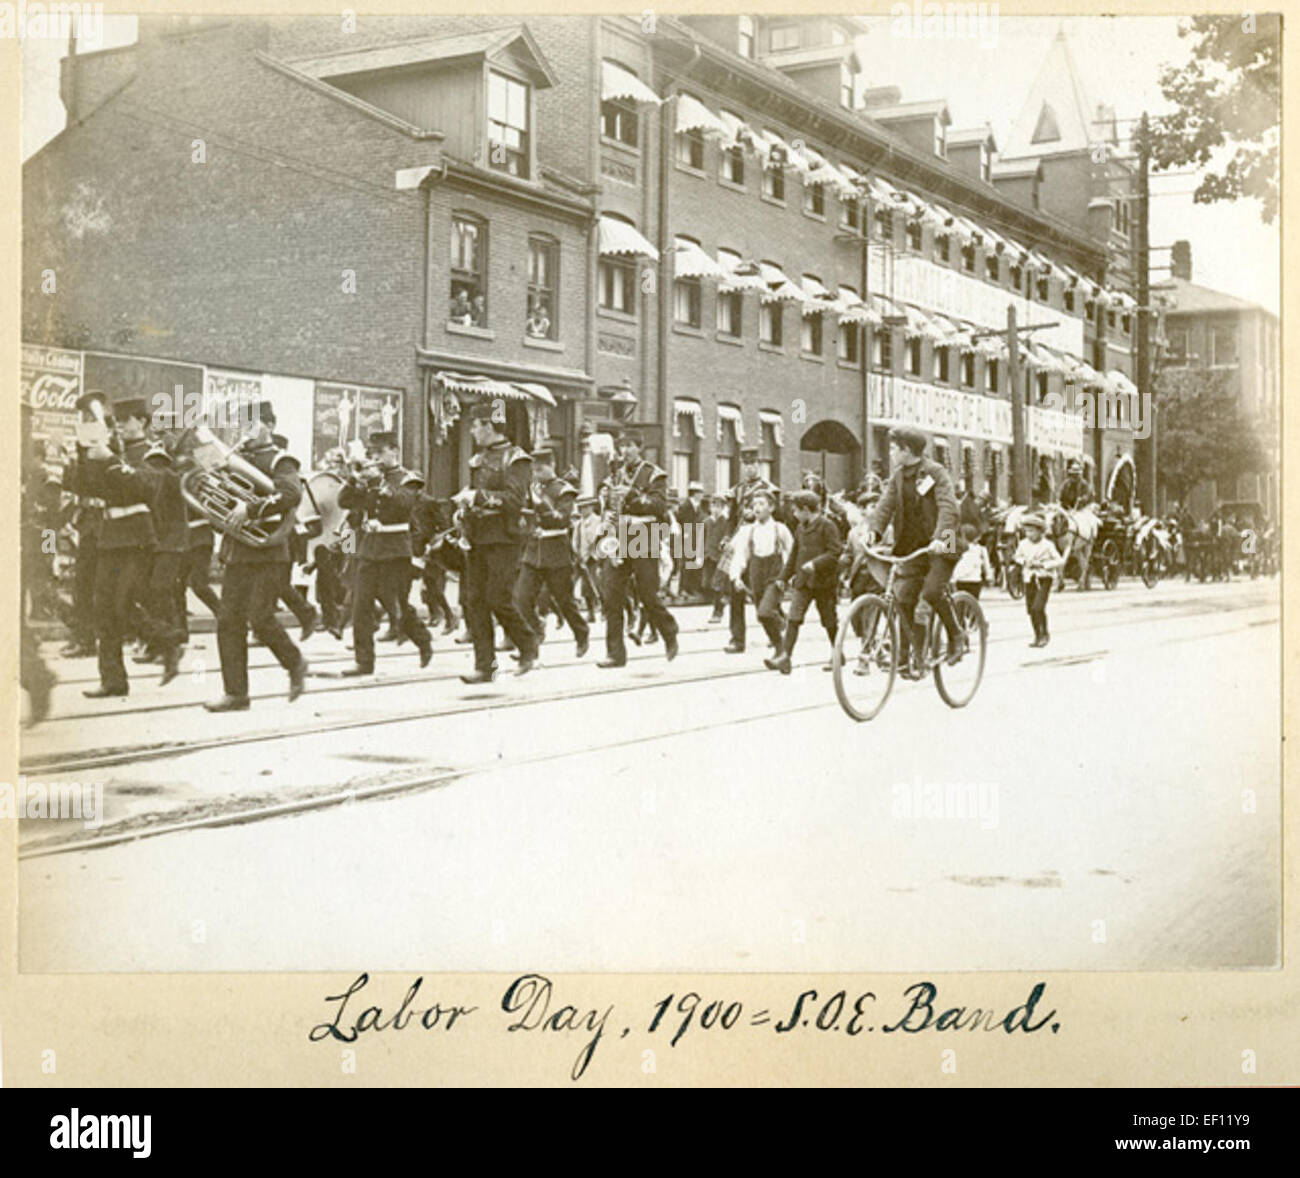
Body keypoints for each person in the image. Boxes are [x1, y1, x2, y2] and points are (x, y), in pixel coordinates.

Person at [204, 403, 308, 710]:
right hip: (239, 550)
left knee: (260, 616)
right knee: (228, 620)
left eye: (251, 425)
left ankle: (295, 663)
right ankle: (236, 693)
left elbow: (291, 494)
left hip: (269, 551)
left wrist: (249, 509)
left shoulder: (281, 460)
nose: (244, 432)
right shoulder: (233, 460)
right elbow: (216, 499)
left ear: (270, 426)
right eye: (240, 426)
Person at [79, 398, 167, 698]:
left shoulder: (153, 453)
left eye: (127, 419)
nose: (120, 425)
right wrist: (84, 457)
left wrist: (111, 461)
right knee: (103, 608)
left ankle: (165, 642)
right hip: (108, 536)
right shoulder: (112, 450)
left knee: (123, 603)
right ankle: (113, 679)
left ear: (142, 421)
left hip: (137, 538)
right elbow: (89, 489)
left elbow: (147, 489)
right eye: (118, 420)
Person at [866, 425, 966, 680]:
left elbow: (949, 508)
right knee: (904, 597)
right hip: (913, 546)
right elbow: (885, 506)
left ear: (907, 450)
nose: (890, 452)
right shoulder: (899, 476)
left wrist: (939, 539)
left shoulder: (936, 472)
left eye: (893, 448)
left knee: (931, 592)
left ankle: (956, 635)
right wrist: (874, 532)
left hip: (945, 541)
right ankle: (913, 658)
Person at [337, 430, 432, 676]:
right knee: (361, 604)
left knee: (396, 604)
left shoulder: (409, 478)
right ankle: (363, 661)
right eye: (373, 453)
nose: (375, 458)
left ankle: (423, 640)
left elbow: (405, 503)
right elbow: (344, 502)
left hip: (396, 549)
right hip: (369, 548)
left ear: (394, 451)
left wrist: (379, 483)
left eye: (380, 452)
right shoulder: (369, 479)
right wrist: (354, 480)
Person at [456, 402, 539, 683]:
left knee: (497, 597)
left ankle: (527, 645)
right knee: (475, 600)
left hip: (504, 537)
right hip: (478, 535)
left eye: (475, 425)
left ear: (488, 426)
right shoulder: (478, 459)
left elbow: (515, 501)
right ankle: (484, 665)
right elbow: (477, 493)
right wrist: (464, 509)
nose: (472, 431)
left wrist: (477, 497)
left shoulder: (517, 460)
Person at [596, 431, 679, 668]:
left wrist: (633, 495)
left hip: (644, 532)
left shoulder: (654, 474)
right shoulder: (615, 475)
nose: (625, 451)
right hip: (619, 533)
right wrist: (604, 498)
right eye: (622, 447)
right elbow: (607, 508)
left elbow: (660, 506)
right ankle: (615, 653)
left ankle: (668, 630)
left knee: (647, 593)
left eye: (630, 446)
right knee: (611, 594)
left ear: (640, 448)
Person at [515, 449, 589, 658]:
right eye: (534, 470)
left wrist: (541, 504)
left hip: (556, 553)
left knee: (564, 601)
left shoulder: (565, 491)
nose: (537, 474)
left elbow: (561, 519)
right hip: (533, 552)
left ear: (552, 465)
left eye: (541, 469)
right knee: (521, 599)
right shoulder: (532, 489)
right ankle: (535, 633)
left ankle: (581, 632)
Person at [764, 490, 842, 674]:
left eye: (796, 510)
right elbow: (793, 556)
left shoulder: (827, 526)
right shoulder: (801, 528)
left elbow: (835, 553)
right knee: (794, 618)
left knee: (829, 620)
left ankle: (838, 653)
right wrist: (782, 578)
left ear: (806, 510)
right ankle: (786, 658)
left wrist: (815, 564)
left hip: (824, 583)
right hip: (803, 582)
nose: (794, 514)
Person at [725, 446, 779, 653]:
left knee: (761, 591)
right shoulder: (736, 490)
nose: (750, 468)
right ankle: (737, 639)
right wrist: (727, 538)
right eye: (746, 465)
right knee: (735, 590)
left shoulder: (768, 489)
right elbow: (731, 519)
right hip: (740, 543)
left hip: (761, 542)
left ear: (759, 464)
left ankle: (775, 630)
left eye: (753, 464)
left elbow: (778, 516)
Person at [728, 488, 792, 655]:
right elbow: (740, 556)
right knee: (762, 615)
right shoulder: (747, 531)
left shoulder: (780, 529)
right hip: (756, 577)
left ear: (771, 508)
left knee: (764, 612)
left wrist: (791, 576)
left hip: (775, 577)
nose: (757, 508)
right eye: (754, 504)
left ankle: (780, 650)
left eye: (761, 504)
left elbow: (793, 553)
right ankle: (779, 638)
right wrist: (736, 577)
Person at [1014, 512, 1064, 647]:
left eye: (1032, 531)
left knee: (1038, 607)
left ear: (1040, 531)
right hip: (1029, 578)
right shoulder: (1023, 544)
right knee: (1031, 609)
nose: (1029, 534)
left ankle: (1044, 634)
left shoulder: (1047, 545)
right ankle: (1037, 635)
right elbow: (1017, 556)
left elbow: (1059, 560)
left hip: (1044, 578)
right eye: (1026, 531)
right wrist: (1024, 561)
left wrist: (1043, 565)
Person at [676, 480, 707, 599]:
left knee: (694, 563)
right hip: (687, 537)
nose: (702, 495)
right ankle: (683, 588)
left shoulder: (699, 506)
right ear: (695, 493)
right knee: (686, 564)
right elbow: (682, 521)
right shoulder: (686, 506)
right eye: (700, 492)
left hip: (696, 537)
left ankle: (691, 588)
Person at [701, 495, 730, 622]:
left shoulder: (725, 522)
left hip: (720, 557)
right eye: (713, 506)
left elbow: (727, 536)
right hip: (708, 556)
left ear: (723, 508)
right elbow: (701, 539)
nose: (715, 509)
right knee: (708, 583)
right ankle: (721, 601)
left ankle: (718, 611)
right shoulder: (706, 522)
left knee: (717, 584)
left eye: (718, 506)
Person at [951, 522, 993, 599]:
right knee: (973, 603)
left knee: (960, 603)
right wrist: (989, 576)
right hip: (975, 581)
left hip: (960, 581)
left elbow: (955, 565)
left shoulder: (959, 549)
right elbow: (986, 564)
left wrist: (952, 578)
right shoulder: (981, 549)